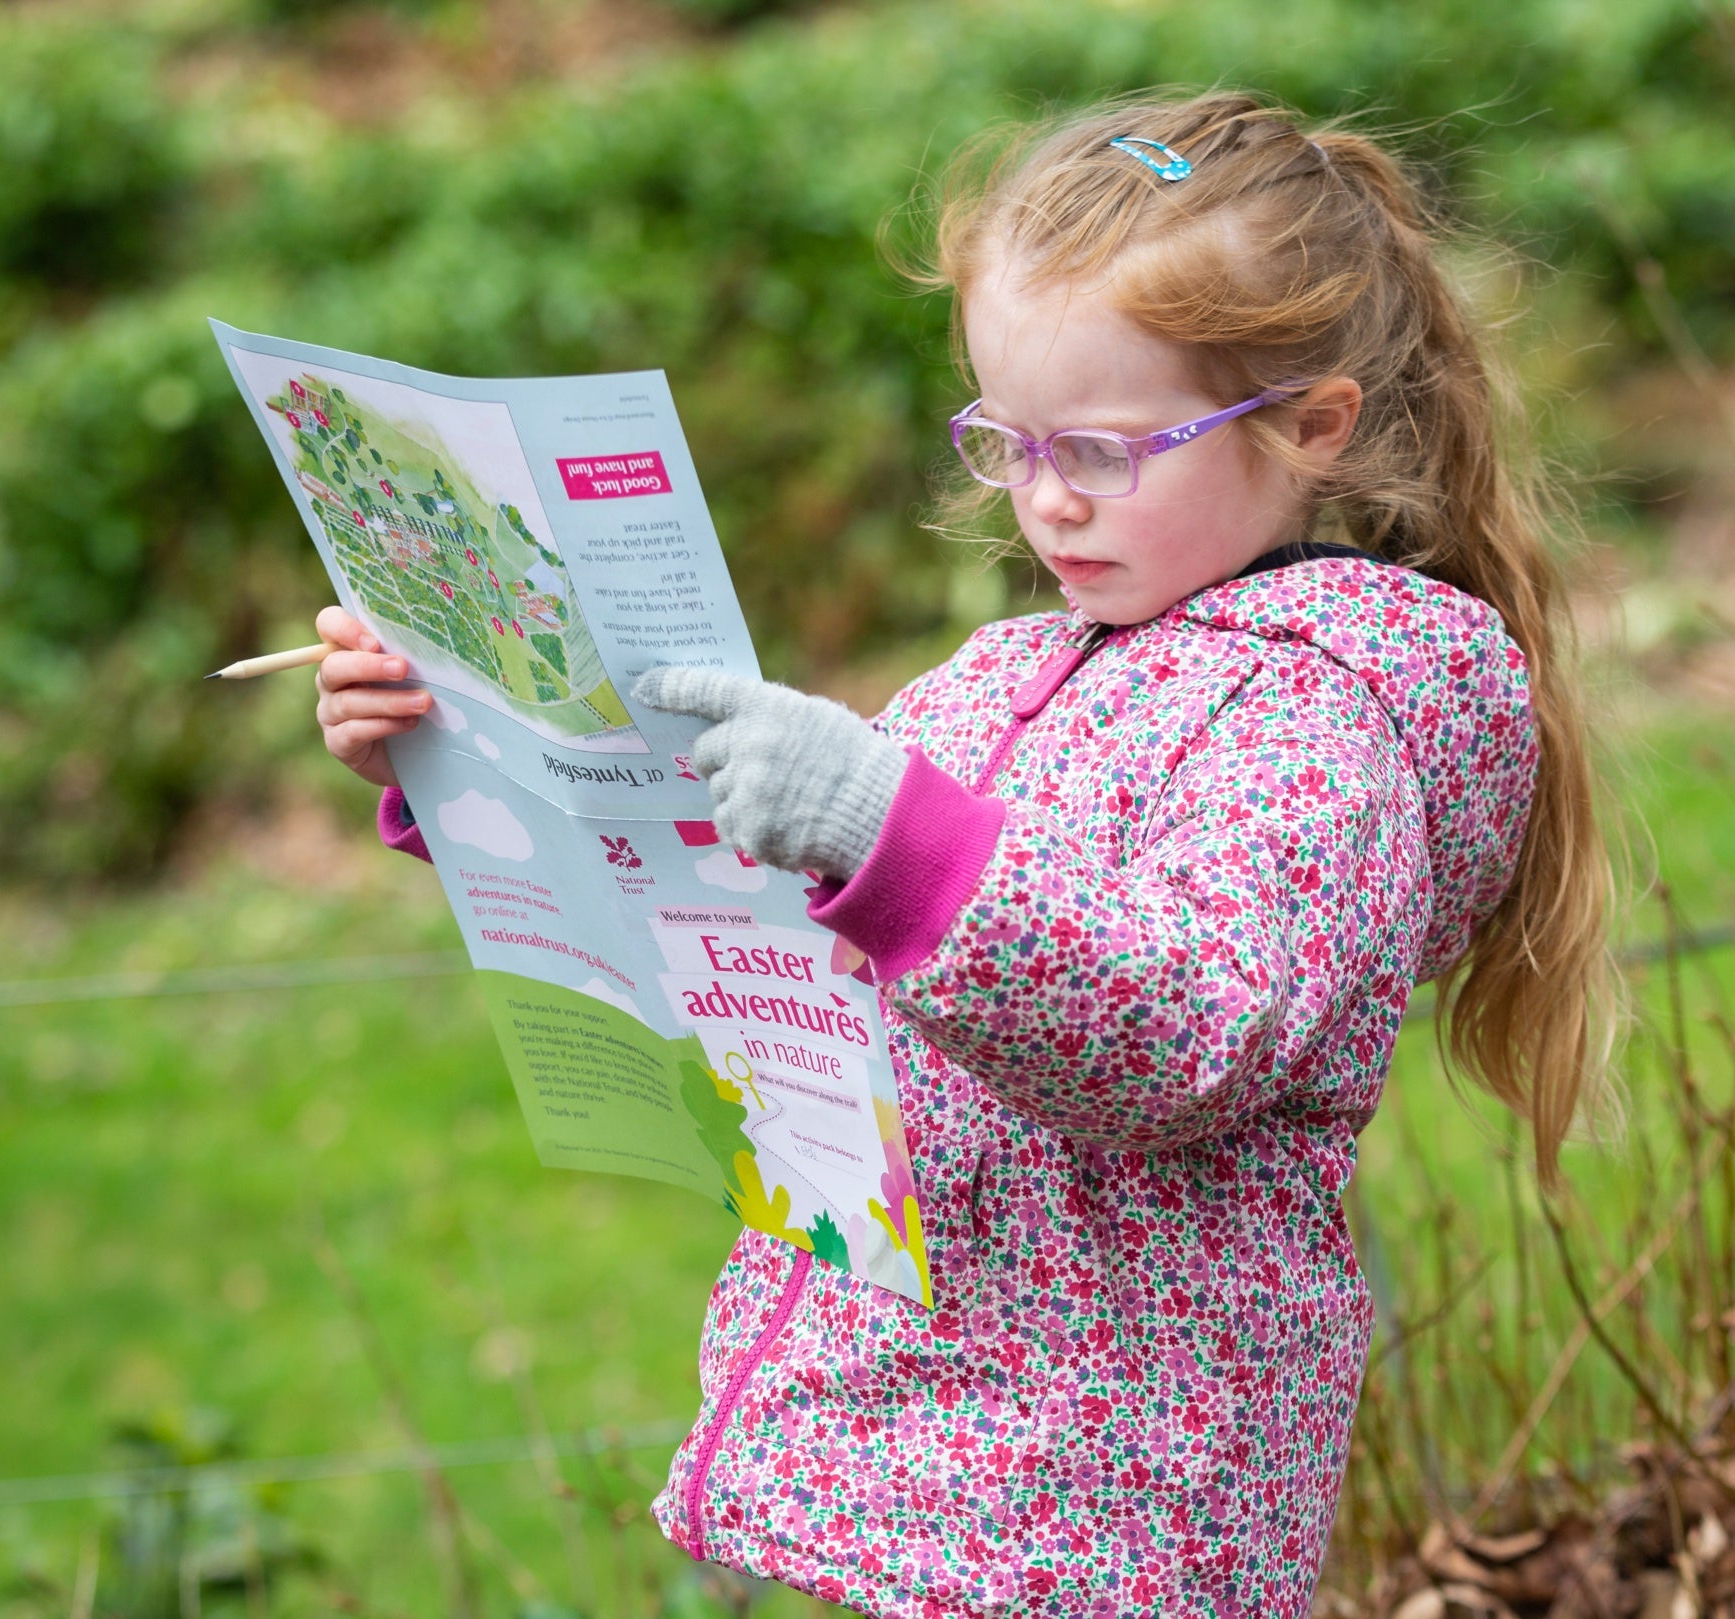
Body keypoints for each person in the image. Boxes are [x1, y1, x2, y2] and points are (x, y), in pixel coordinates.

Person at [311, 89, 1609, 1619]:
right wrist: (470, 761)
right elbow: (768, 918)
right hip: (938, 1451)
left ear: (1313, 427)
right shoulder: (1002, 676)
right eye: (1008, 438)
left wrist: (885, 833)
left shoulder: (1328, 717)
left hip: (1113, 1494)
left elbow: (1186, 1028)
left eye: (1106, 451)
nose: (1047, 497)